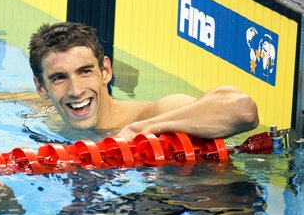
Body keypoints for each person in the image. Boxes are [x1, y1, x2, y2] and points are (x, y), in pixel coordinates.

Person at [28, 22, 259, 140]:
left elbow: (244, 110)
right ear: (41, 88)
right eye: (59, 78)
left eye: (85, 72)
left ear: (106, 71)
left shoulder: (152, 115)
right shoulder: (46, 117)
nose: (76, 91)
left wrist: (144, 129)